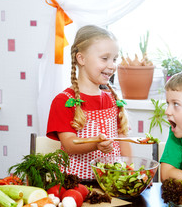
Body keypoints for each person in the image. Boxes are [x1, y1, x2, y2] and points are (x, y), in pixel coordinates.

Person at [46, 25, 132, 180]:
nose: (112, 65)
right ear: (81, 59)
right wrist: (96, 144)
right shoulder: (64, 101)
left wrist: (130, 172)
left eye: (114, 59)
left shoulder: (113, 100)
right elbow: (70, 145)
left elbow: (123, 141)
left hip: (111, 182)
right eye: (105, 58)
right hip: (76, 183)